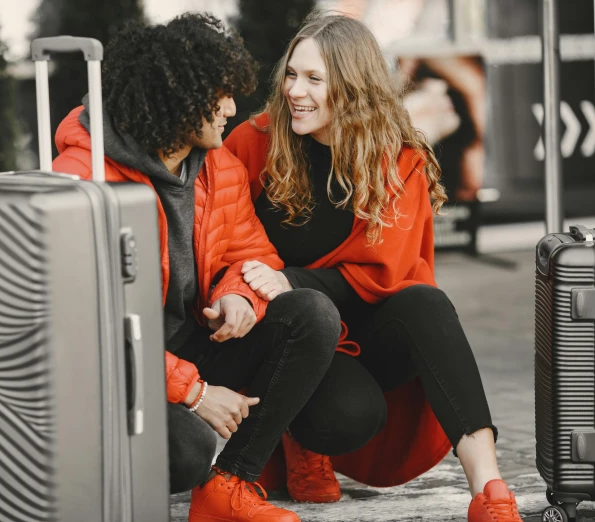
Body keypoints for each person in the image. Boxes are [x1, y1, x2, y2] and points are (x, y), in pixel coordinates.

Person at [51, 14, 361, 522]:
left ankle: (229, 486)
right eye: (220, 96)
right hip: (119, 368)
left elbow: (252, 254)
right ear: (177, 98)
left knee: (311, 313)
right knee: (186, 450)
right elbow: (87, 328)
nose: (233, 110)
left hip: (191, 345)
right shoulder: (82, 180)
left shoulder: (218, 165)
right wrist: (195, 394)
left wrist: (239, 293)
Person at [224, 13, 523, 522]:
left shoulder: (396, 155)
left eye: (315, 79)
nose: (296, 90)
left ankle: (490, 490)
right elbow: (225, 241)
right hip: (286, 335)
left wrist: (291, 278)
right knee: (347, 416)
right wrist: (278, 288)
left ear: (352, 86)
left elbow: (390, 272)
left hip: (359, 325)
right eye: (292, 74)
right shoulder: (254, 143)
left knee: (425, 302)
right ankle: (299, 436)